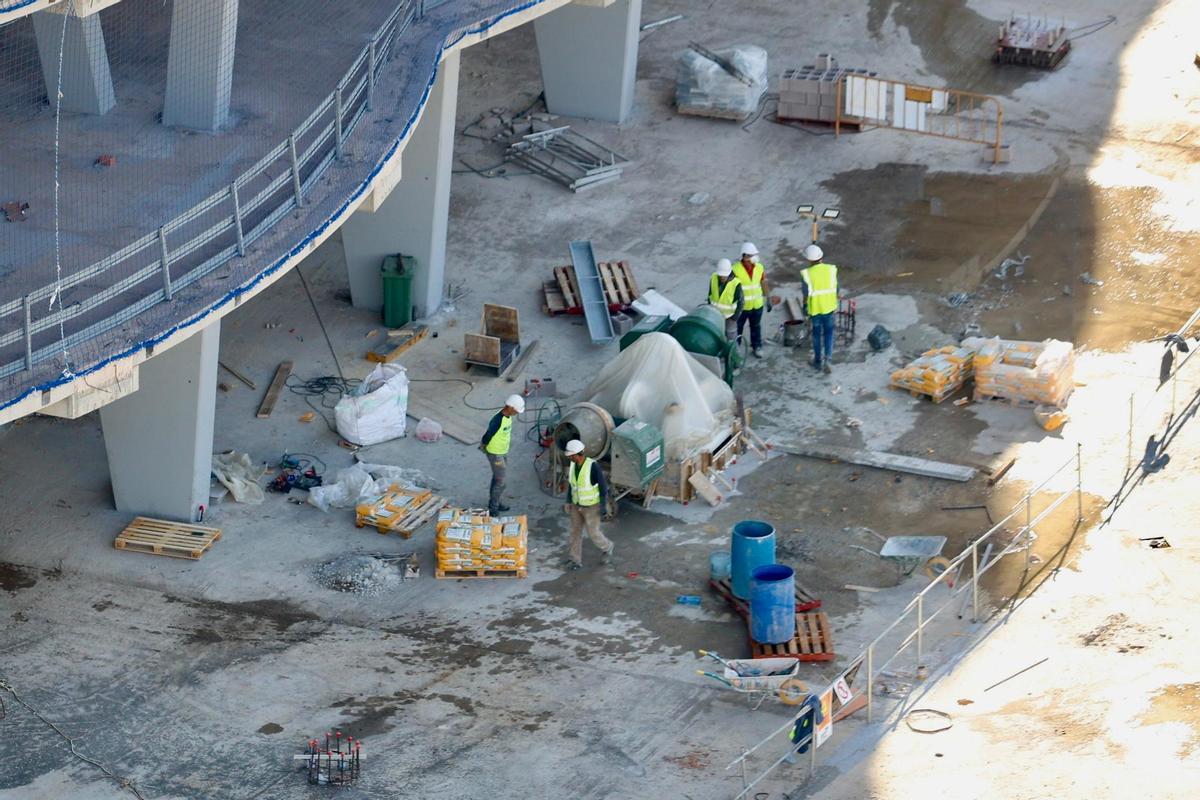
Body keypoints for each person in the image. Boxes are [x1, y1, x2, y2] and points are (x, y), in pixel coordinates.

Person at [562, 439, 614, 570]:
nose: (568, 457)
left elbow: (603, 488)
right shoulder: (573, 466)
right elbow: (571, 485)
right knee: (575, 532)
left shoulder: (593, 466)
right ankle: (575, 560)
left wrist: (603, 506)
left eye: (570, 455)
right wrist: (568, 501)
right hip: (576, 505)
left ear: (576, 454)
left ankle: (607, 547)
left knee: (593, 533)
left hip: (591, 507)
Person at [480, 394, 524, 515]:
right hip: (495, 454)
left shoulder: (508, 416)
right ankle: (493, 507)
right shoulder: (497, 420)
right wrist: (483, 445)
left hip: (502, 451)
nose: (517, 413)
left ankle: (495, 502)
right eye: (516, 410)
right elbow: (488, 434)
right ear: (510, 407)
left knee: (497, 478)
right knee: (500, 481)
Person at [800, 244, 839, 374]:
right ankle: (828, 359)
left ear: (809, 260)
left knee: (816, 335)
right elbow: (837, 289)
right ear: (821, 256)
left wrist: (804, 308)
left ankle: (817, 361)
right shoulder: (831, 270)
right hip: (829, 307)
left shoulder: (807, 274)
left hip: (815, 310)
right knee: (829, 333)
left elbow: (805, 295)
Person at [733, 242, 772, 359]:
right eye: (752, 255)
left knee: (756, 326)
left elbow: (763, 283)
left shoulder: (759, 267)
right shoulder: (735, 269)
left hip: (757, 305)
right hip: (742, 307)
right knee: (738, 328)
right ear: (744, 256)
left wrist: (768, 298)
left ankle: (757, 346)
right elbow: (731, 289)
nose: (755, 257)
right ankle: (735, 349)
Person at [707, 258, 743, 341]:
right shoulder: (713, 278)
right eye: (721, 275)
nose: (722, 277)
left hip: (729, 316)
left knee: (731, 337)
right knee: (716, 336)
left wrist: (735, 317)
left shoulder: (736, 283)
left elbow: (741, 302)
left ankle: (734, 352)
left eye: (724, 275)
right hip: (715, 315)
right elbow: (710, 295)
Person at [784, 693, 825, 763]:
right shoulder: (813, 704)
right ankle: (790, 753)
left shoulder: (811, 704)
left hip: (805, 720)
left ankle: (792, 752)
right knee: (798, 735)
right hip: (805, 721)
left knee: (798, 734)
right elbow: (819, 720)